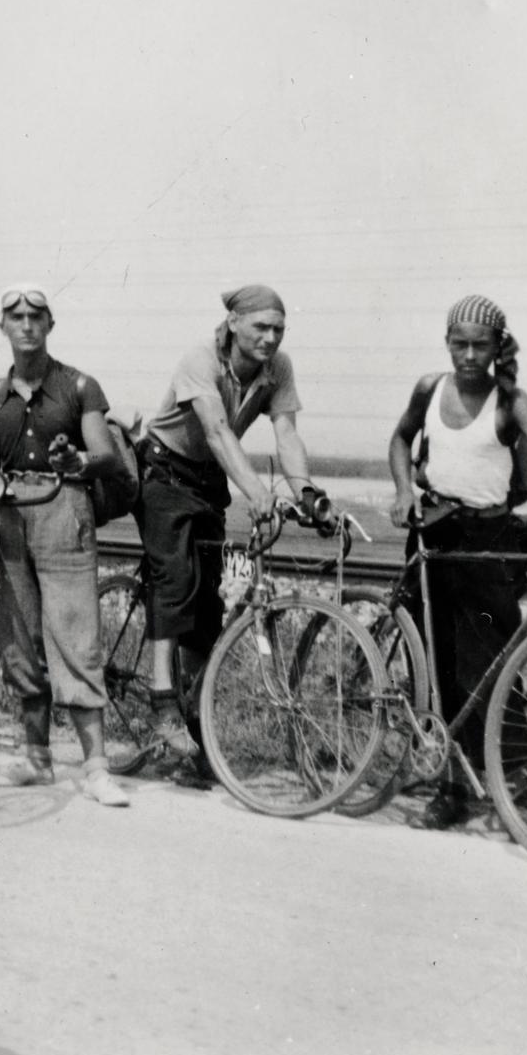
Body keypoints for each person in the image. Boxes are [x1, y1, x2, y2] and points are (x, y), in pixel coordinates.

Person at [387, 294, 527, 829]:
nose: (469, 355)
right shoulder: (429, 389)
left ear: (497, 347)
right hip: (433, 534)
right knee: (438, 667)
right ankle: (451, 789)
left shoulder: (512, 402)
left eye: (480, 345)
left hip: (488, 543)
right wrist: (403, 492)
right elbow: (400, 440)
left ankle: (513, 778)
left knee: (487, 666)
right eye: (459, 344)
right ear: (447, 343)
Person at [135, 284, 327, 780]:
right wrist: (256, 493)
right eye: (261, 327)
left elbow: (286, 432)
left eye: (279, 329)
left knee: (207, 613)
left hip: (206, 480)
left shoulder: (277, 368)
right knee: (174, 581)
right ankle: (160, 704)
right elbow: (218, 431)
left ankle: (195, 739)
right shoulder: (200, 359)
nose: (270, 338)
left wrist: (304, 492)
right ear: (234, 322)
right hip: (164, 471)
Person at [0, 283, 130, 807]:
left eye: (36, 315)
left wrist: (78, 462)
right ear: (2, 327)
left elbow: (107, 454)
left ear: (50, 326)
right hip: (11, 516)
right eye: (14, 316)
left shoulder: (79, 385)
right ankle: (37, 760)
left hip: (65, 511)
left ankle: (96, 768)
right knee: (18, 643)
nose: (26, 324)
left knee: (74, 637)